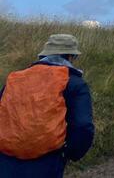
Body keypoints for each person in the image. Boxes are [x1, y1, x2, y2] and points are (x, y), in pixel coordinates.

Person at [0, 34, 95, 177]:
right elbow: (82, 125)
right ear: (71, 56)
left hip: (5, 159)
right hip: (47, 161)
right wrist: (70, 153)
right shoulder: (74, 83)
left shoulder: (16, 78)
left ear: (44, 55)